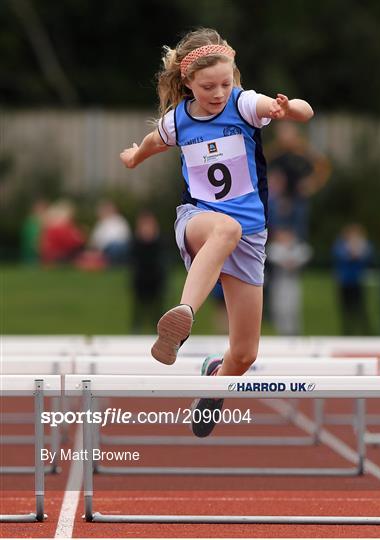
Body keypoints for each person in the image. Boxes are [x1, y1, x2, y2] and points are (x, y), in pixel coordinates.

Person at [120, 28, 313, 437]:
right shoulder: (179, 120)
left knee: (244, 354)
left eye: (226, 83)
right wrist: (134, 157)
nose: (219, 92)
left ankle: (215, 377)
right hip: (199, 221)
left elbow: (305, 113)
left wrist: (287, 108)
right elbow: (156, 141)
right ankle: (183, 317)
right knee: (224, 227)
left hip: (251, 237)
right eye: (208, 87)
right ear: (187, 83)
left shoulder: (243, 104)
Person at [332, 224, 373, 336]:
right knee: (346, 310)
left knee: (360, 309)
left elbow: (366, 254)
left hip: (357, 281)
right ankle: (347, 333)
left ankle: (366, 332)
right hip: (344, 281)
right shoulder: (340, 245)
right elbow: (342, 254)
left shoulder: (364, 244)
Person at [130, 210, 166, 333]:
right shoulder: (135, 241)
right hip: (140, 278)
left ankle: (159, 327)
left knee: (157, 306)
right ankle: (136, 327)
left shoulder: (159, 241)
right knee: (139, 305)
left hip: (156, 278)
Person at [40, 200, 86, 265]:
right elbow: (73, 242)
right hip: (60, 256)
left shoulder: (55, 228)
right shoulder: (58, 228)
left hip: (56, 255)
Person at [89, 200, 131, 265]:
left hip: (121, 246)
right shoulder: (100, 224)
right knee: (114, 247)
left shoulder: (120, 220)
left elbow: (125, 237)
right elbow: (95, 241)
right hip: (107, 249)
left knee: (116, 247)